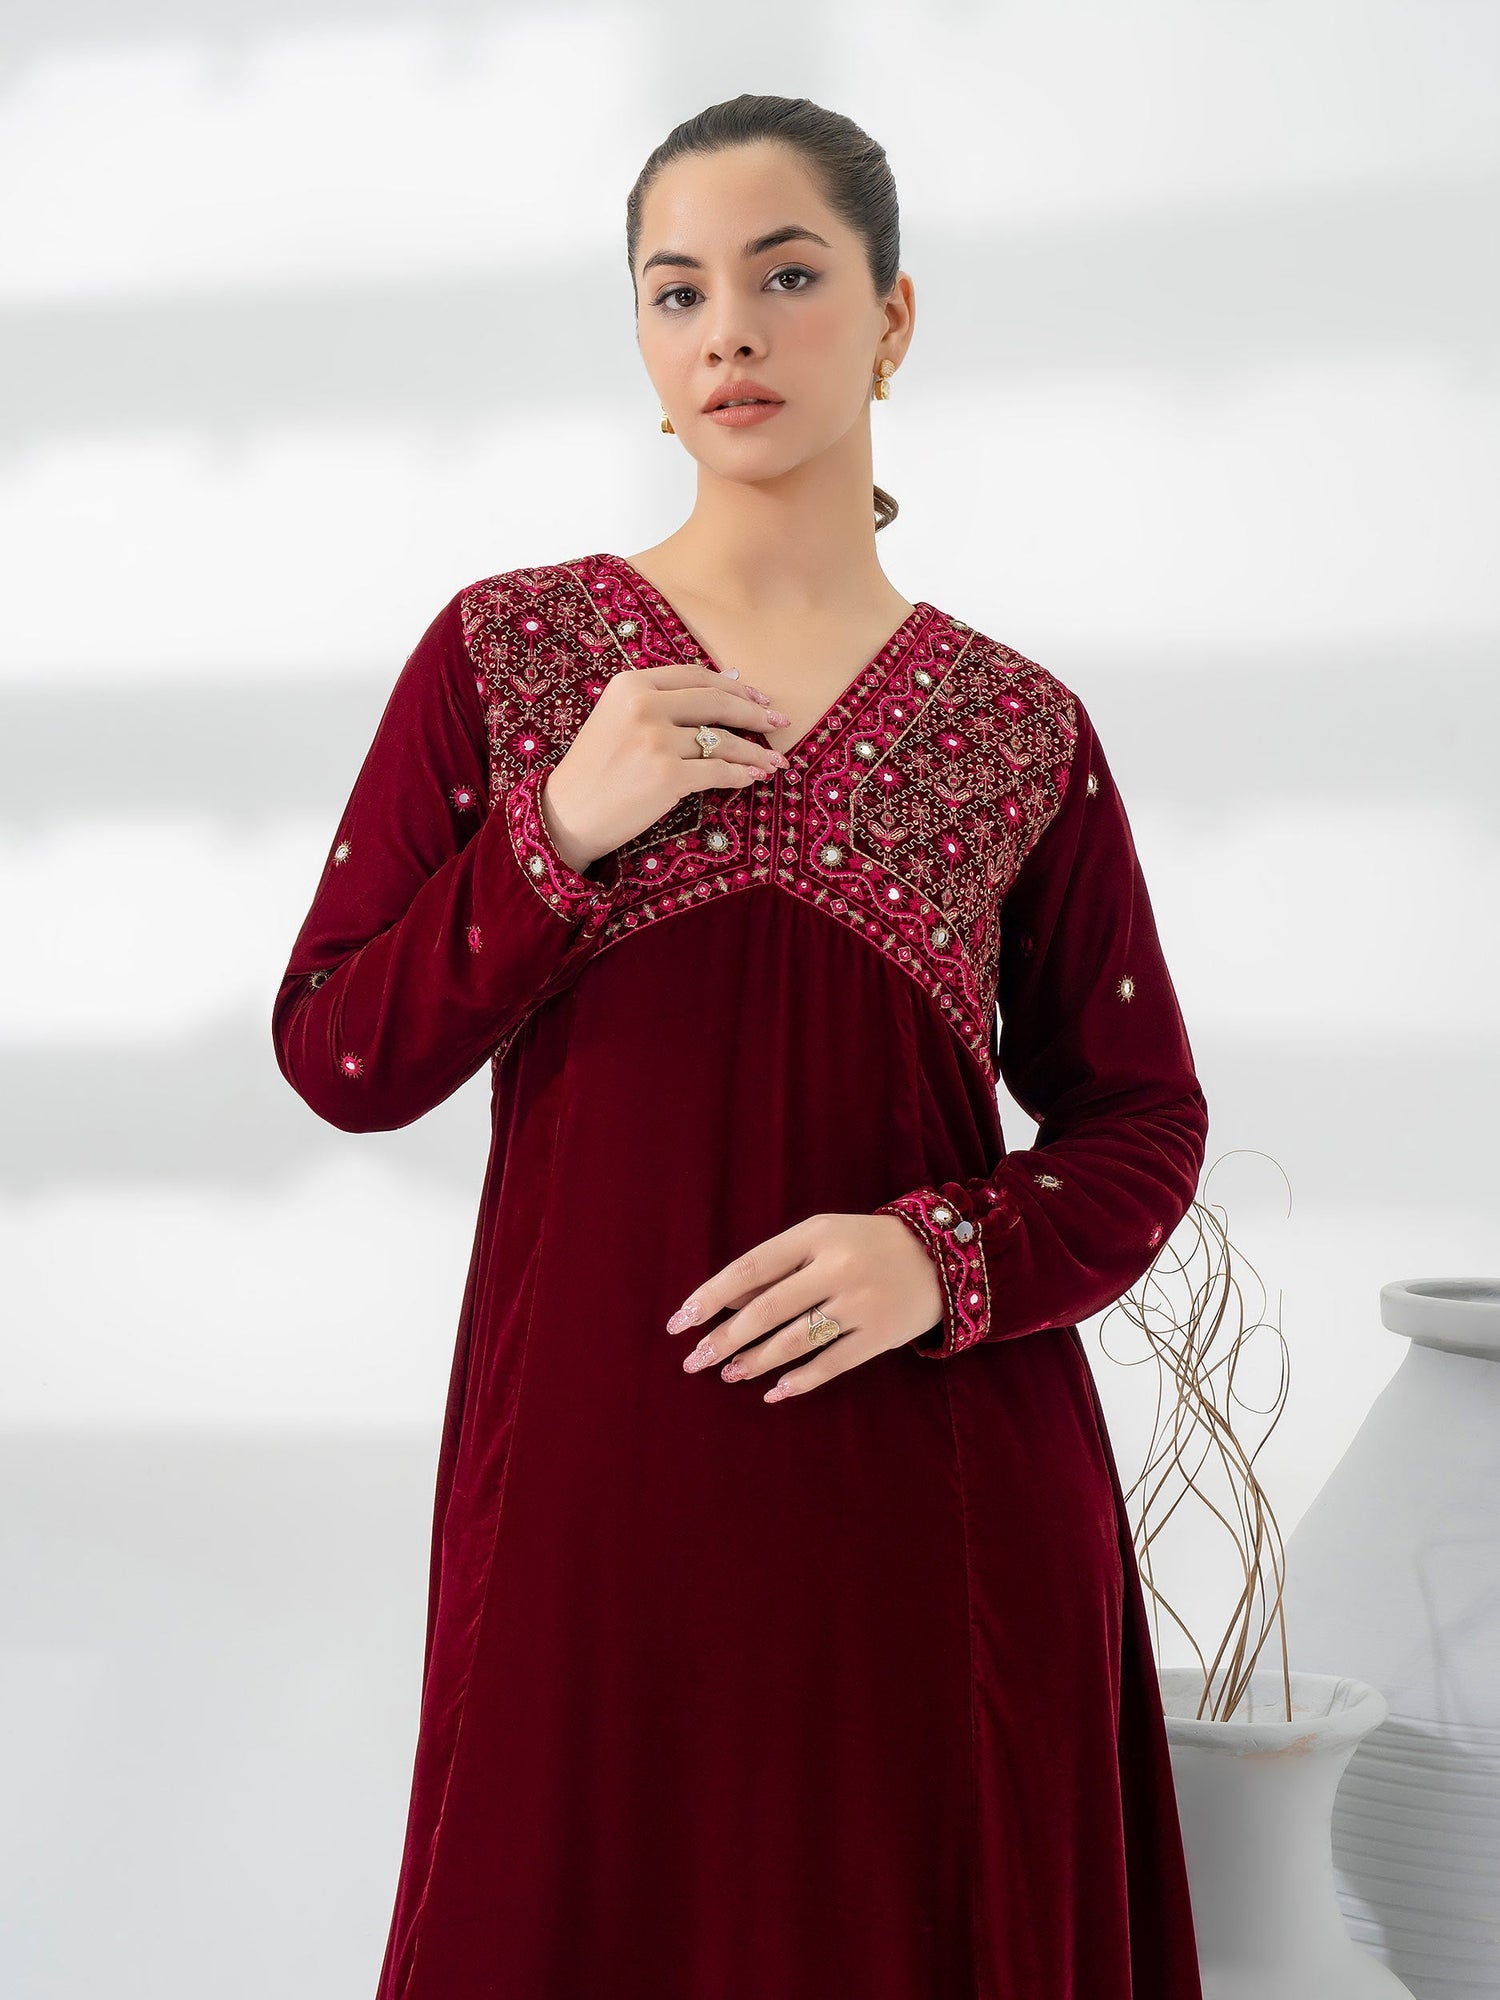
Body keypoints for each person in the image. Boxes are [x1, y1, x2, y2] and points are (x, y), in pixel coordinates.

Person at [272, 92, 1208, 2000]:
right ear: (638, 340)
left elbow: (1143, 1120)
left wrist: (940, 1255)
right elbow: (338, 1053)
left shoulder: (1017, 723)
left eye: (790, 277)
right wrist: (555, 835)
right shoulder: (512, 657)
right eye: (677, 290)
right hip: (593, 1516)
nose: (732, 334)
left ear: (892, 317)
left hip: (928, 1506)